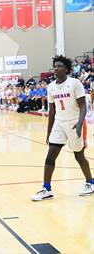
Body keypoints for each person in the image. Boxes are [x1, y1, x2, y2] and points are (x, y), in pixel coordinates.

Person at [32, 56, 94, 201]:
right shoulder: (51, 87)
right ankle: (46, 188)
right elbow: (52, 111)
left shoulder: (74, 83)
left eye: (59, 66)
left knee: (79, 155)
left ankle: (90, 182)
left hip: (74, 123)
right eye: (54, 66)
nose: (56, 68)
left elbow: (83, 105)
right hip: (59, 123)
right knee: (50, 156)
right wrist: (49, 132)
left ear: (66, 69)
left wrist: (79, 123)